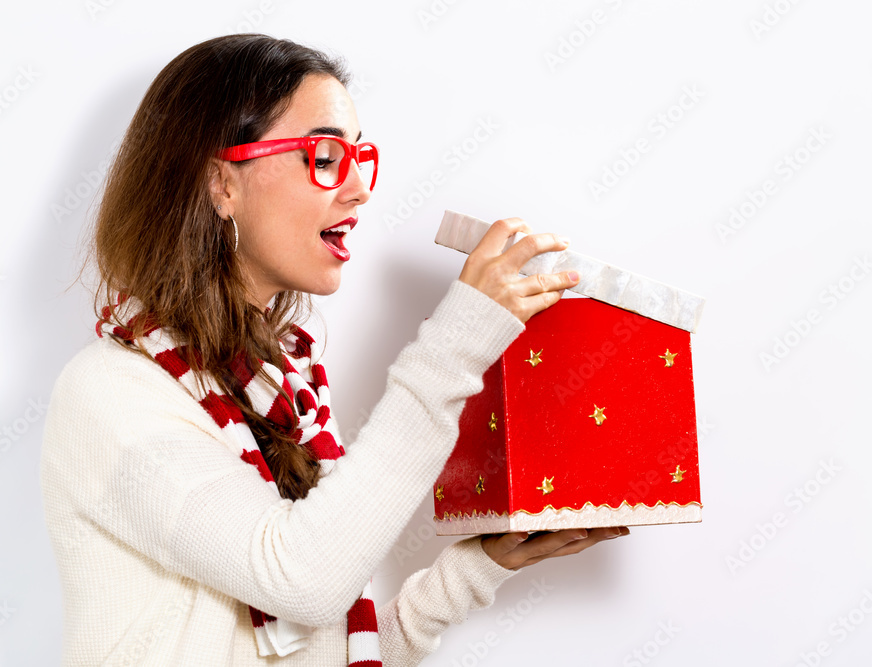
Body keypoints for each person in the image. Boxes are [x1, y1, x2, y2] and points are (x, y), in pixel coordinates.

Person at [40, 33, 628, 666]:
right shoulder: (109, 392)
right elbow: (302, 578)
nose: (357, 189)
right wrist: (457, 341)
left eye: (358, 157)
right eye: (324, 156)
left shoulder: (282, 389)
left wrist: (474, 568)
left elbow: (322, 647)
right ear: (220, 183)